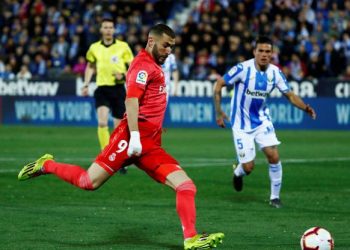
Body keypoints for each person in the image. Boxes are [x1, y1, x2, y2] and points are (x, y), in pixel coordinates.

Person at [18, 24, 224, 250]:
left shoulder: (154, 65)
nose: (169, 51)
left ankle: (191, 239)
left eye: (172, 47)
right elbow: (131, 100)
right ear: (151, 41)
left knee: (186, 186)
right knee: (88, 182)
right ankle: (46, 165)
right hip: (129, 138)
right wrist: (134, 136)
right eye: (166, 46)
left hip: (151, 144)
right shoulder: (143, 66)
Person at [213, 36, 316, 208]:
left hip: (262, 121)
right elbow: (218, 85)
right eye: (260, 51)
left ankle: (275, 197)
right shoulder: (242, 69)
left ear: (272, 54)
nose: (264, 54)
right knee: (248, 167)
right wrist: (219, 112)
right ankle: (238, 173)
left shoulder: (275, 73)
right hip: (241, 125)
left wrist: (305, 108)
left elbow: (289, 95)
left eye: (267, 51)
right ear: (254, 52)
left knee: (273, 155)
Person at [82, 18, 134, 151]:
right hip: (102, 89)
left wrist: (123, 75)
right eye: (105, 27)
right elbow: (90, 66)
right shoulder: (94, 48)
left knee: (118, 128)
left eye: (111, 27)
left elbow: (133, 68)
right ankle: (106, 153)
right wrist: (86, 84)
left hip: (118, 90)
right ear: (101, 30)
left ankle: (118, 156)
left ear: (114, 30)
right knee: (102, 122)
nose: (108, 30)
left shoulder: (123, 46)